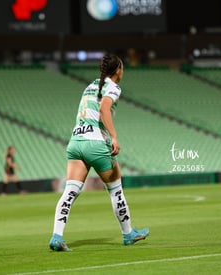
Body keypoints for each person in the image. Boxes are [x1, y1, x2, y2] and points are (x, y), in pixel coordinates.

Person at [49, 54, 149, 252]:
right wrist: (114, 137)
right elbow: (104, 109)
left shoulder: (91, 85)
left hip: (76, 141)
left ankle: (57, 236)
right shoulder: (113, 87)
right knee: (115, 189)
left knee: (70, 192)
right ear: (118, 70)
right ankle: (128, 233)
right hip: (96, 144)